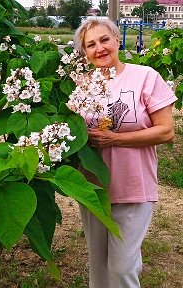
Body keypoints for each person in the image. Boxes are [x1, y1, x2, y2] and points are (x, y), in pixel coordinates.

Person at [73, 19, 177, 288]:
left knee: (121, 269)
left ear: (117, 40)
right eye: (91, 45)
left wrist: (115, 139)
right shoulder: (79, 85)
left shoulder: (144, 76)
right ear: (84, 53)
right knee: (98, 268)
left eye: (104, 40)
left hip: (133, 185)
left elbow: (166, 132)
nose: (100, 48)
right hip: (93, 188)